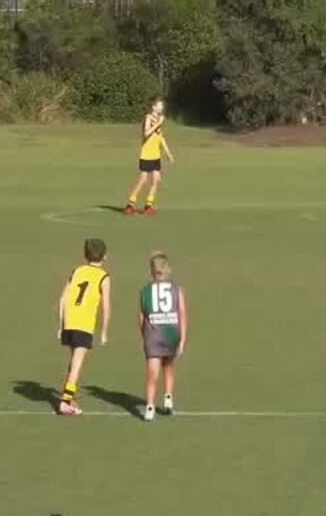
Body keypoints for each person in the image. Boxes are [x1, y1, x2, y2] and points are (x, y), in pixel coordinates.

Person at [55, 238, 112, 416]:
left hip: (70, 322)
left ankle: (69, 396)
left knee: (73, 361)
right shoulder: (104, 276)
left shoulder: (77, 271)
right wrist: (104, 331)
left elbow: (63, 299)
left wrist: (61, 324)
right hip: (84, 324)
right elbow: (106, 306)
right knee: (78, 362)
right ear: (105, 257)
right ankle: (65, 402)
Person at [139, 251, 187, 422]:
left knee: (152, 372)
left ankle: (150, 406)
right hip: (171, 333)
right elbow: (182, 312)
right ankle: (168, 398)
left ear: (152, 271)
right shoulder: (176, 288)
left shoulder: (145, 291)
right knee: (168, 366)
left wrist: (144, 335)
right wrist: (182, 338)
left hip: (153, 334)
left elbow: (142, 317)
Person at [126, 98, 175, 216]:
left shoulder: (159, 119)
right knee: (143, 180)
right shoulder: (148, 118)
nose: (161, 107)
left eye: (162, 106)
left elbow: (160, 137)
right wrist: (158, 123)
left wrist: (168, 153)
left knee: (156, 179)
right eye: (159, 105)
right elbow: (146, 133)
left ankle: (148, 206)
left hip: (156, 155)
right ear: (153, 107)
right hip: (146, 154)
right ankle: (130, 205)